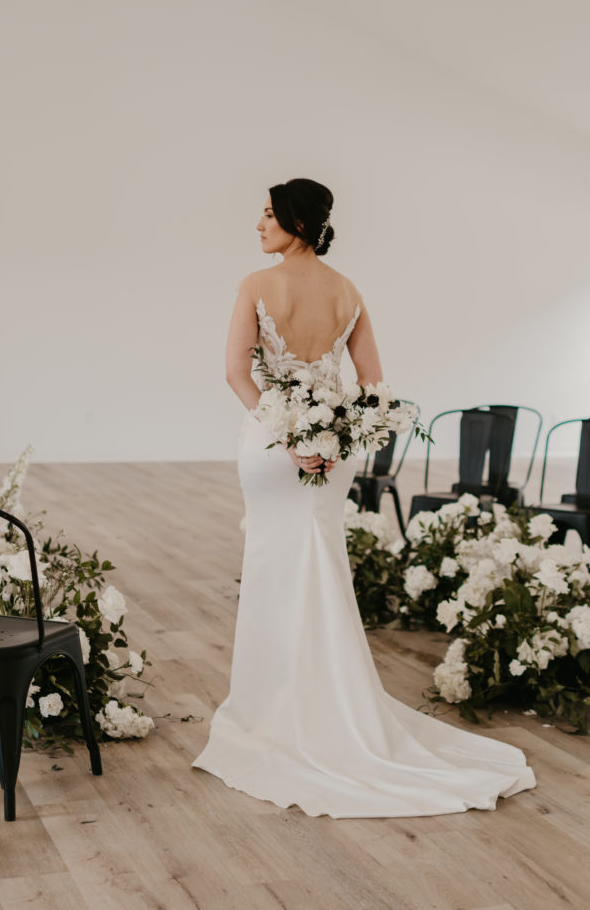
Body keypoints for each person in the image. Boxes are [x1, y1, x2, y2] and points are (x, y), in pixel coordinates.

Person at [191, 178, 535, 818]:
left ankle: (278, 713)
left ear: (296, 220)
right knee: (320, 565)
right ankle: (330, 705)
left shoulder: (254, 285)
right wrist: (334, 433)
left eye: (268, 215)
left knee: (276, 567)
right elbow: (373, 385)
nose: (258, 226)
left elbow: (237, 373)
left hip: (273, 448)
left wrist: (290, 437)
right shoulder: (348, 291)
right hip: (333, 451)